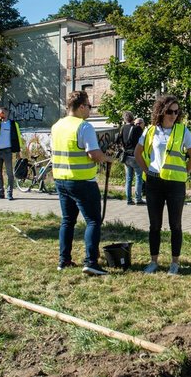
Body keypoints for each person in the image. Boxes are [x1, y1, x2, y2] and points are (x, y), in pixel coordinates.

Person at [52, 90, 118, 276]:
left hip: (61, 179)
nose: (90, 110)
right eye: (89, 106)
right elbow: (94, 155)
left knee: (67, 221)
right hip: (82, 181)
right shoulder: (84, 127)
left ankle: (63, 260)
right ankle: (90, 262)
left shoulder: (57, 125)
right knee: (93, 221)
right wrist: (108, 159)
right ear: (81, 107)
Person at [135, 95, 191, 275]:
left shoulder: (182, 131)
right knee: (154, 225)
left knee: (175, 225)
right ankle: (153, 261)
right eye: (170, 111)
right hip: (154, 182)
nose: (173, 115)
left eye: (176, 112)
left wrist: (185, 173)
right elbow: (138, 153)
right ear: (161, 111)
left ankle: (174, 263)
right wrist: (146, 171)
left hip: (176, 185)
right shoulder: (150, 131)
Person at [117, 111, 145, 205]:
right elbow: (143, 140)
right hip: (135, 156)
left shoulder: (122, 128)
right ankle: (138, 199)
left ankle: (129, 200)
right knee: (138, 178)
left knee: (128, 178)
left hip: (126, 157)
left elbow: (117, 140)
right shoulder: (137, 129)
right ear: (133, 118)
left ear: (124, 119)